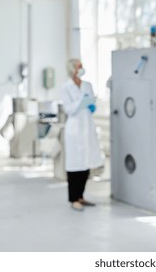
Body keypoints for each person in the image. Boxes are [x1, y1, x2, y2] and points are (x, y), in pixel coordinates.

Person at [60, 59, 104, 211]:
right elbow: (68, 109)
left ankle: (81, 196)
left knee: (86, 164)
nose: (82, 69)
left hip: (87, 127)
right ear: (72, 69)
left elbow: (92, 106)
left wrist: (91, 105)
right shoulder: (65, 87)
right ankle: (73, 198)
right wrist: (82, 102)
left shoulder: (87, 85)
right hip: (74, 129)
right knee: (74, 165)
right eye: (79, 67)